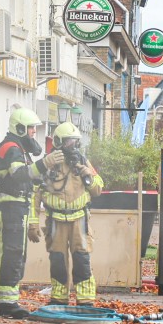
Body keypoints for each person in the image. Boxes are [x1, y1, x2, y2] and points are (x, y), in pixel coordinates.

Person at [35, 122, 105, 305]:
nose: (73, 146)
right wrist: (32, 223)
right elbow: (35, 194)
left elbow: (98, 189)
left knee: (82, 258)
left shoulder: (82, 161)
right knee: (57, 260)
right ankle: (59, 298)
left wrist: (87, 175)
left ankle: (86, 299)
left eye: (75, 142)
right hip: (56, 219)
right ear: (58, 143)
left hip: (79, 220)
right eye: (69, 142)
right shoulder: (49, 164)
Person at [0, 106, 47, 319]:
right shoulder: (11, 148)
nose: (34, 132)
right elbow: (20, 175)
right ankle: (6, 304)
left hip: (17, 207)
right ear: (21, 128)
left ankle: (10, 301)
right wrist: (43, 164)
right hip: (9, 207)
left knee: (16, 254)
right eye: (32, 128)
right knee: (11, 254)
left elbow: (30, 178)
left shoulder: (19, 149)